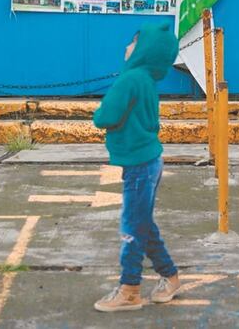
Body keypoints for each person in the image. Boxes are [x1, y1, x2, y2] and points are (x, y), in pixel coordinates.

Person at [91, 22, 181, 312]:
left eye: (133, 42)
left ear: (144, 50)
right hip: (149, 161)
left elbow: (105, 116)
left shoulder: (129, 79)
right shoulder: (146, 80)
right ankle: (169, 275)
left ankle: (130, 289)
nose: (126, 47)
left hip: (139, 165)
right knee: (143, 222)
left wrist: (100, 111)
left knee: (132, 224)